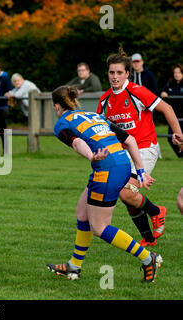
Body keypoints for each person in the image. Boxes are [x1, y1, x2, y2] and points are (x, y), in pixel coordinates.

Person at [46, 85, 162, 283]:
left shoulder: (61, 123)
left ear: (56, 106)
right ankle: (74, 267)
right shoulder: (93, 115)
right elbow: (131, 139)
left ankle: (148, 258)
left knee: (100, 227)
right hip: (122, 164)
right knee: (82, 214)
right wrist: (140, 170)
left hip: (107, 169)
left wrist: (92, 157)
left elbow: (76, 143)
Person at [98, 48, 183, 247]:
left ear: (127, 73)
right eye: (112, 72)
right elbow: (103, 130)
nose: (115, 76)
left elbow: (167, 108)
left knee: (126, 193)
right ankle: (149, 239)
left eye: (119, 72)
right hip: (122, 153)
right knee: (128, 197)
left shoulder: (136, 91)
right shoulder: (104, 100)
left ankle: (156, 211)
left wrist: (179, 134)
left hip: (145, 148)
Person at [160, 63, 183, 157]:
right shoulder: (170, 84)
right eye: (175, 72)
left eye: (179, 72)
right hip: (173, 117)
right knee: (170, 138)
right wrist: (163, 93)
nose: (177, 74)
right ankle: (180, 155)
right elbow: (161, 92)